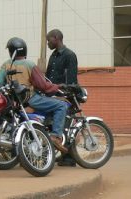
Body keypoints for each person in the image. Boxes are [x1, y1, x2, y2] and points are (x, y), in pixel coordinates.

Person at [0, 37, 68, 153]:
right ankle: (56, 136)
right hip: (30, 98)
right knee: (61, 105)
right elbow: (43, 85)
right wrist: (58, 87)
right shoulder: (29, 64)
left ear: (11, 51)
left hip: (13, 100)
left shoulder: (6, 65)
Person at [46, 29, 78, 167]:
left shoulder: (70, 55)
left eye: (49, 40)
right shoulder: (53, 56)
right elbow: (47, 77)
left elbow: (71, 79)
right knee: (55, 124)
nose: (48, 43)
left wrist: (64, 91)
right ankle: (63, 155)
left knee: (66, 126)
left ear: (56, 38)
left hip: (66, 95)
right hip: (53, 94)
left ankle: (69, 158)